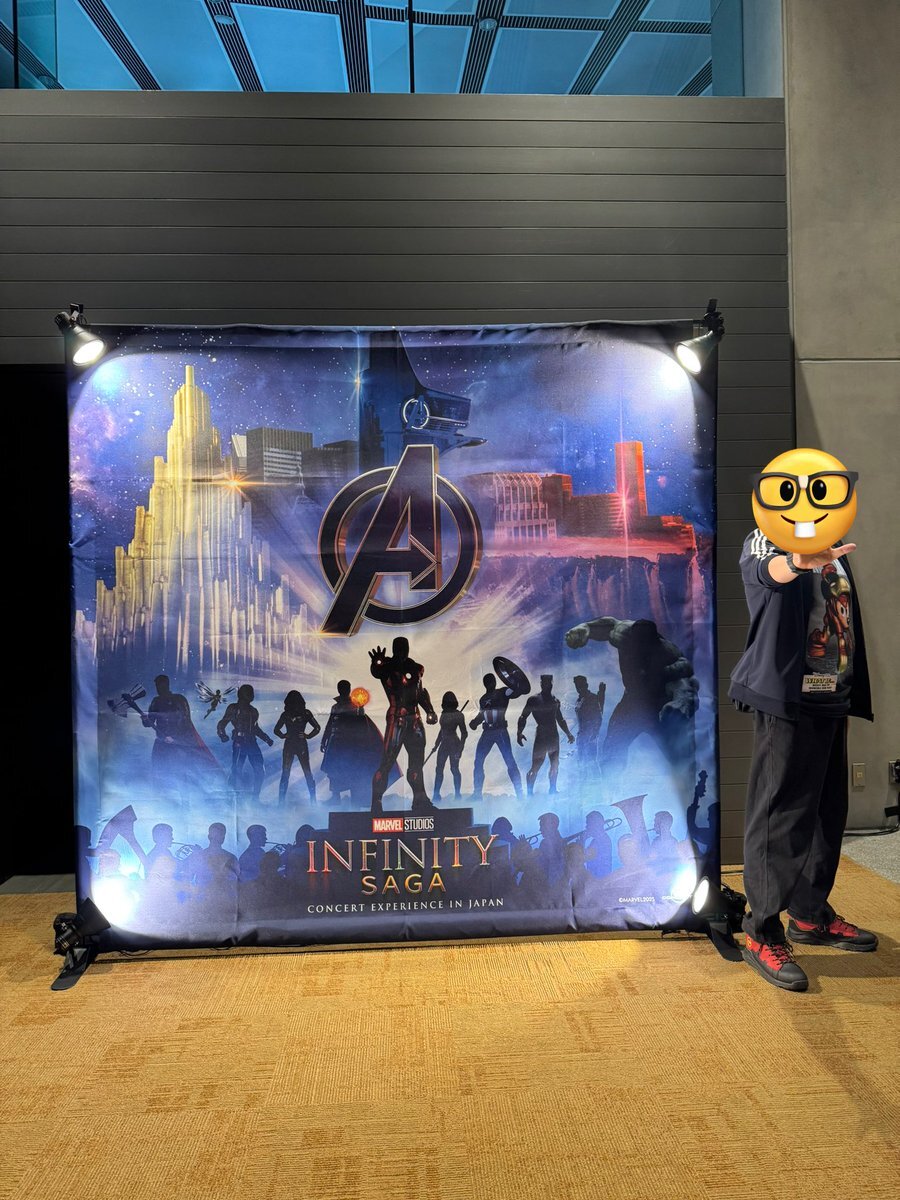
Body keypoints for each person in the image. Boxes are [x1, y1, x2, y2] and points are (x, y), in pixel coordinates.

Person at [729, 530, 877, 992]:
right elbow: (765, 573)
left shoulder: (835, 540)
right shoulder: (766, 537)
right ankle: (761, 932)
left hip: (832, 695)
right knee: (779, 816)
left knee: (827, 813)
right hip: (788, 699)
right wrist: (795, 562)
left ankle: (810, 915)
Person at [369, 637, 438, 815]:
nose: (402, 651)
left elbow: (420, 692)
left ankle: (420, 801)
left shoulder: (416, 668)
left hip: (414, 719)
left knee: (416, 765)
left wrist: (430, 710)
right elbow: (377, 671)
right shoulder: (387, 667)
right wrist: (376, 663)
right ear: (394, 649)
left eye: (404, 648)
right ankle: (376, 802)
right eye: (399, 648)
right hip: (397, 717)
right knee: (387, 762)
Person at [470, 671, 525, 800]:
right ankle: (477, 794)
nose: (491, 684)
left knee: (509, 760)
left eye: (492, 681)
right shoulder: (483, 699)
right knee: (479, 761)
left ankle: (519, 792)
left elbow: (516, 692)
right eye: (489, 682)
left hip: (500, 731)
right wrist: (475, 722)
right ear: (486, 684)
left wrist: (515, 681)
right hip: (488, 732)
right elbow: (483, 714)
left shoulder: (502, 692)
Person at [516, 674, 574, 795]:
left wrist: (568, 733)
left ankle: (552, 789)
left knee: (555, 764)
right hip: (542, 735)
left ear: (551, 684)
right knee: (536, 765)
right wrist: (519, 732)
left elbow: (560, 719)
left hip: (553, 735)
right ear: (541, 684)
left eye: (549, 683)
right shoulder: (534, 700)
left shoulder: (555, 701)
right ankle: (530, 793)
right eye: (544, 683)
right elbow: (523, 716)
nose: (547, 685)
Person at [217, 684, 274, 801]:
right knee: (236, 770)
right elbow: (222, 723)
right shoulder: (233, 708)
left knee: (259, 770)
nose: (251, 695)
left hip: (252, 742)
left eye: (251, 693)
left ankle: (255, 798)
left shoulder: (253, 711)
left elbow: (255, 728)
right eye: (249, 693)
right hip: (240, 742)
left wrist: (266, 738)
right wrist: (222, 735)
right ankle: (233, 797)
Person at [274, 691, 320, 805]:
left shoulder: (294, 714)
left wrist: (307, 736)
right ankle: (312, 801)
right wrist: (307, 736)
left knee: (296, 772)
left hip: (295, 744)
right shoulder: (301, 713)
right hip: (296, 744)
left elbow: (317, 728)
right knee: (302, 772)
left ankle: (282, 802)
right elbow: (276, 730)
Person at [432, 691, 467, 803]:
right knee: (439, 769)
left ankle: (457, 794)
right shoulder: (444, 714)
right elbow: (442, 730)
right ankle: (436, 794)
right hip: (444, 744)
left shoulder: (458, 715)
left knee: (454, 769)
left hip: (454, 744)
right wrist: (436, 744)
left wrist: (460, 749)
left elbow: (464, 733)